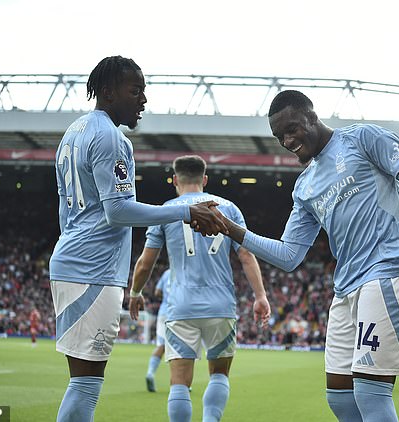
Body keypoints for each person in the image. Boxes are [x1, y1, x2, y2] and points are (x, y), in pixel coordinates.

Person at [215, 90, 399, 422]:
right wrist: (230, 228)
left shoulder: (363, 139)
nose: (287, 140)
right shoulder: (304, 185)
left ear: (311, 116)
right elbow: (289, 255)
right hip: (346, 288)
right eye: (279, 136)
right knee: (340, 398)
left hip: (390, 270)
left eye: (292, 129)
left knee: (370, 393)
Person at [48, 56, 228, 422]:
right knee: (85, 385)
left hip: (71, 260)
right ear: (109, 92)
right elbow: (119, 212)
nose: (143, 99)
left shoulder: (74, 131)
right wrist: (185, 211)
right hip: (93, 271)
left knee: (80, 380)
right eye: (136, 91)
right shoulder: (112, 139)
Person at [129, 155, 271, 422]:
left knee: (179, 382)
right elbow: (246, 256)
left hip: (181, 306)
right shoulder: (229, 208)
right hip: (221, 306)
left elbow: (145, 262)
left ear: (174, 180)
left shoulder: (165, 210)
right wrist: (260, 296)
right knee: (219, 374)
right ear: (204, 180)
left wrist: (135, 293)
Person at [145, 268, 171, 392]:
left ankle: (150, 372)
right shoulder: (186, 271)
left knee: (161, 345)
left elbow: (157, 292)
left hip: (163, 312)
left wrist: (166, 297)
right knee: (181, 349)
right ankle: (182, 382)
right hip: (179, 313)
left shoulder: (166, 273)